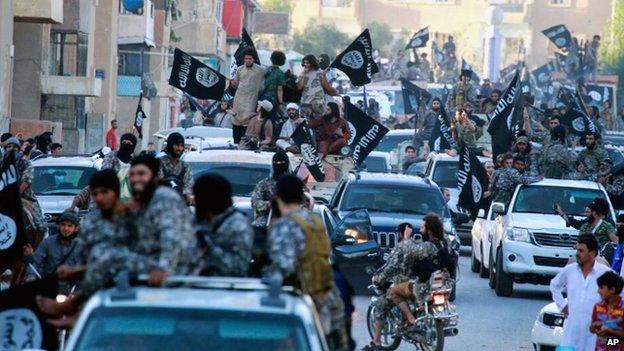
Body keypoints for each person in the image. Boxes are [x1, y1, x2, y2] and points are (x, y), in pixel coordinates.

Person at [266, 175, 348, 350]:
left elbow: (283, 268)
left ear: (277, 197)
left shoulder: (286, 225)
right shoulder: (316, 222)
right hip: (328, 296)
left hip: (301, 303)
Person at [125, 154, 197, 276]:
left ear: (154, 177)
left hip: (176, 274)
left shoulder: (164, 198)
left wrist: (162, 269)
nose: (136, 179)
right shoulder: (141, 202)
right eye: (132, 174)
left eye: (142, 174)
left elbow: (171, 237)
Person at [549, 235, 612, 351]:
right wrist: (562, 306)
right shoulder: (570, 270)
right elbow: (554, 285)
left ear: (592, 254)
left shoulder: (605, 272)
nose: (577, 253)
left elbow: (620, 293)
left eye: (581, 250)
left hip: (595, 330)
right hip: (572, 328)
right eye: (577, 250)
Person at [194, 174, 253, 277]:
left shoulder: (238, 225)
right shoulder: (200, 221)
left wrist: (208, 246)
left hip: (227, 287)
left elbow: (239, 268)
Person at [23, 211, 81, 292]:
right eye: (63, 225)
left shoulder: (82, 245)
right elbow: (35, 262)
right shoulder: (48, 242)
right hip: (49, 285)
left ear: (76, 228)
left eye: (70, 226)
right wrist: (31, 276)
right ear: (58, 226)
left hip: (72, 288)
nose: (66, 228)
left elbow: (87, 266)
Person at [3, 137, 48, 242]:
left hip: (24, 198)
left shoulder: (26, 164)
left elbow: (26, 181)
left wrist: (15, 195)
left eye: (15, 147)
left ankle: (35, 253)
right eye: (9, 147)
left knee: (40, 226)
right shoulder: (1, 164)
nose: (11, 149)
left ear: (19, 150)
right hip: (3, 197)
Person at [231, 48, 265, 144]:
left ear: (253, 59)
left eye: (250, 58)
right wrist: (232, 83)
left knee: (247, 123)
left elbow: (264, 84)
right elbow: (235, 84)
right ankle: (236, 144)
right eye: (246, 58)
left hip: (251, 101)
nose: (247, 60)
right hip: (238, 100)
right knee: (236, 121)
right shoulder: (239, 69)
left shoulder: (260, 70)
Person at [251, 151, 291, 227]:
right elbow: (255, 202)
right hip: (267, 220)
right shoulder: (263, 184)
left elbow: (305, 203)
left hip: (290, 219)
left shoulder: (294, 184)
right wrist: (269, 204)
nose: (279, 165)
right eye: (276, 162)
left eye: (282, 162)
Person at [590, 271, 624, 350]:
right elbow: (591, 329)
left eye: (601, 287)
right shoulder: (598, 306)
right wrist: (594, 327)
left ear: (612, 290)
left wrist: (609, 331)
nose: (598, 291)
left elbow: (620, 341)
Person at [297, 55, 338, 120]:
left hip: (318, 104)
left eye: (307, 63)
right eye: (304, 63)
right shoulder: (302, 73)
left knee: (319, 124)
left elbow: (326, 86)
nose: (305, 64)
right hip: (305, 104)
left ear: (312, 63)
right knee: (305, 125)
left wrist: (334, 92)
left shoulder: (320, 73)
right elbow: (299, 87)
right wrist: (303, 74)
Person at [158, 132, 194, 204]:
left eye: (181, 146)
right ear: (170, 145)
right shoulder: (159, 163)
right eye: (177, 145)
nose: (179, 148)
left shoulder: (184, 166)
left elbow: (188, 185)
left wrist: (186, 195)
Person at [102, 133, 137, 202]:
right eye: (124, 142)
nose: (126, 144)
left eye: (129, 143)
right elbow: (105, 174)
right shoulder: (111, 157)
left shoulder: (134, 162)